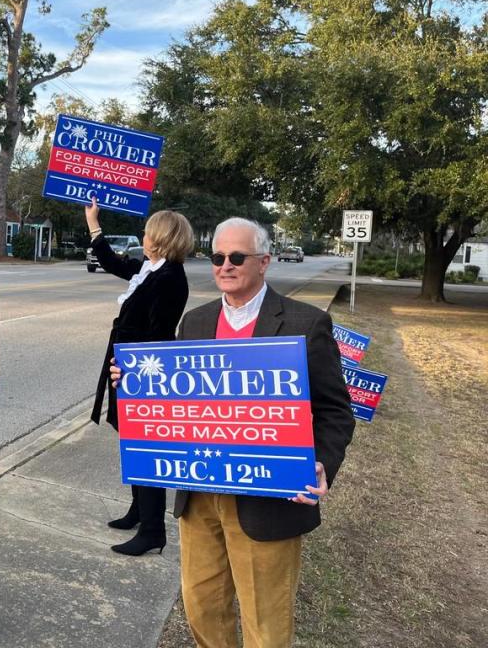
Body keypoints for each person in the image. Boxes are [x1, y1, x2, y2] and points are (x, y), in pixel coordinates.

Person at [110, 217, 355, 647]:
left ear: (264, 262)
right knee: (202, 605)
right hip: (200, 495)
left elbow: (335, 411)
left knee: (265, 618)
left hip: (268, 500)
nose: (225, 265)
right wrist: (133, 384)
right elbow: (182, 399)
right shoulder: (195, 323)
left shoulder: (305, 323)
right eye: (218, 257)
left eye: (237, 257)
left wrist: (322, 464)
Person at [85, 196, 193, 556]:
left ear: (161, 237)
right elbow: (113, 262)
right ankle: (138, 511)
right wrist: (93, 224)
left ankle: (153, 531)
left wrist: (131, 370)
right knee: (132, 444)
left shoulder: (169, 279)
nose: (143, 236)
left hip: (143, 374)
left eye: (147, 232)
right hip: (127, 367)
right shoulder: (151, 270)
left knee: (145, 448)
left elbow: (157, 334)